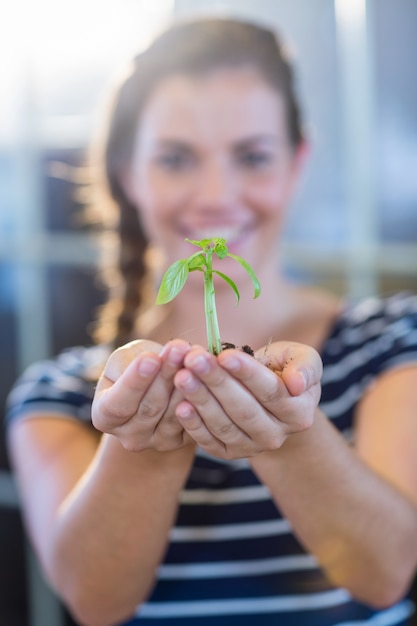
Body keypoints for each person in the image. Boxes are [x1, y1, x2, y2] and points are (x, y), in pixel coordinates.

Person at [5, 15, 417, 626]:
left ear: (297, 162)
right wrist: (140, 443)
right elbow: (95, 601)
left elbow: (387, 574)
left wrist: (288, 432)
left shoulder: (392, 344)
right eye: (175, 159)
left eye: (252, 156)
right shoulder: (61, 394)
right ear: (128, 174)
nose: (217, 193)